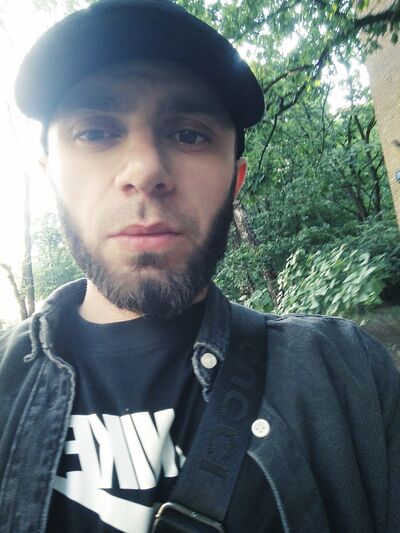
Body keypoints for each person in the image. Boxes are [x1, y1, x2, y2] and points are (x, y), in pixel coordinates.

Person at [0, 1, 399, 532]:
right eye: (95, 132)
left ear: (235, 182)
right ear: (51, 175)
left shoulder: (348, 377)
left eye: (189, 134)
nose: (145, 169)